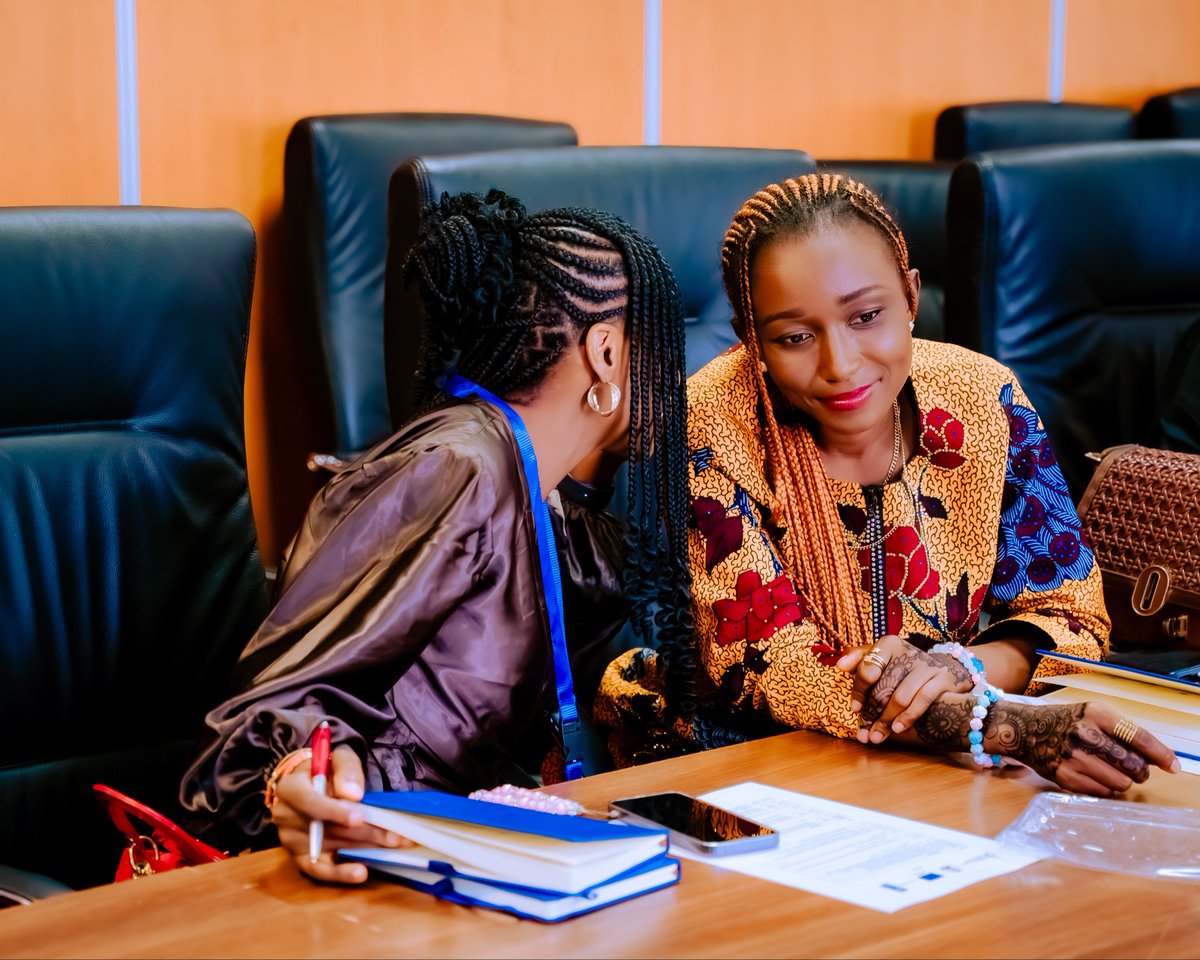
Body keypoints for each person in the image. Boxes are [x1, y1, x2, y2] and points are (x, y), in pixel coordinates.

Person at [596, 173, 1179, 795]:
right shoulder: (710, 423)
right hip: (749, 761)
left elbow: (1071, 614)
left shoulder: (983, 397)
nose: (840, 364)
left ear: (911, 296)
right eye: (795, 337)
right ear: (749, 337)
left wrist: (959, 667)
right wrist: (1003, 726)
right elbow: (776, 671)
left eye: (867, 315)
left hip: (935, 765)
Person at [180, 189, 693, 882]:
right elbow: (266, 715)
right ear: (605, 351)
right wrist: (303, 772)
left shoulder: (526, 481)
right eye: (663, 343)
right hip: (359, 872)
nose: (679, 379)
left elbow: (617, 585)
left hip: (456, 865)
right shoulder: (457, 468)